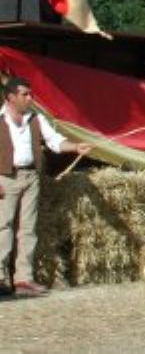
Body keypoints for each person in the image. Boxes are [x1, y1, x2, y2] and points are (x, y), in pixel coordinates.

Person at [0, 77, 92, 297]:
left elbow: (55, 142)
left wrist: (75, 147)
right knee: (3, 228)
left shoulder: (36, 119)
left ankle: (23, 280)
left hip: (31, 175)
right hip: (5, 177)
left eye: (31, 94)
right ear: (11, 97)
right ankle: (1, 278)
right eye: (25, 94)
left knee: (28, 229)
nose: (30, 98)